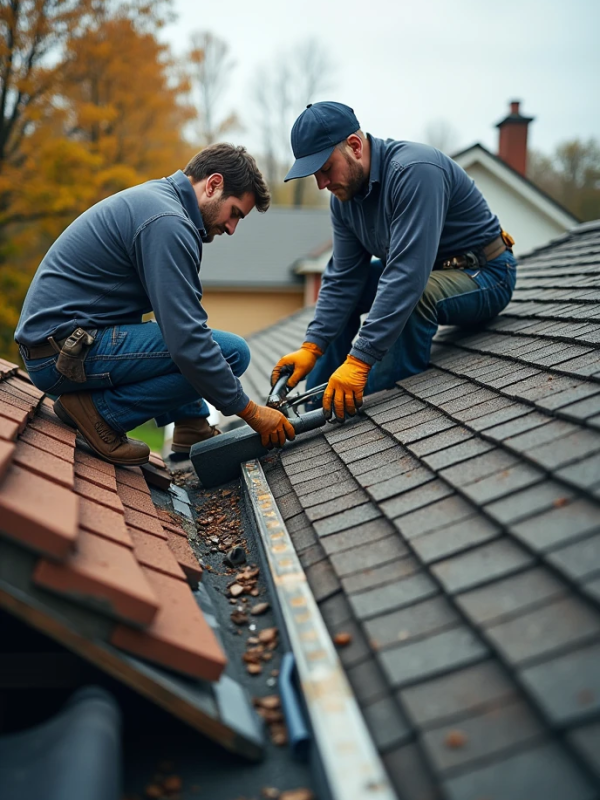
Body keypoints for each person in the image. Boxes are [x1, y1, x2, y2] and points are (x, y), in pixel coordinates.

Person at [16, 144, 295, 465]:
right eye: (234, 213)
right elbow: (187, 339)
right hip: (60, 354)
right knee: (232, 352)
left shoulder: (161, 203)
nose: (231, 229)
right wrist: (250, 411)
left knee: (188, 339)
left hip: (62, 345)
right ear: (213, 184)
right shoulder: (168, 222)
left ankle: (192, 425)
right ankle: (100, 415)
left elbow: (174, 325)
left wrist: (193, 411)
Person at [271, 102, 517, 421]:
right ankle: (310, 414)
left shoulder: (415, 172)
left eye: (326, 169)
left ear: (355, 146)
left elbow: (405, 276)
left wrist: (360, 361)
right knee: (351, 296)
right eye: (315, 175)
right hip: (429, 274)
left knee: (412, 298)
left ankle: (369, 405)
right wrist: (312, 346)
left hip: (484, 274)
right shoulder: (344, 201)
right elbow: (344, 278)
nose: (321, 184)